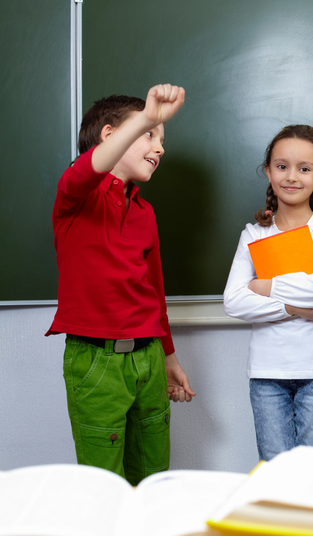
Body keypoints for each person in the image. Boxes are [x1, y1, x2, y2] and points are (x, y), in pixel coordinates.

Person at [48, 85, 194, 485]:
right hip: (96, 361)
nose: (160, 147)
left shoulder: (145, 212)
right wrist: (148, 117)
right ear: (111, 136)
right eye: (150, 135)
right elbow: (89, 168)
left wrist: (167, 355)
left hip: (146, 354)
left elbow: (155, 293)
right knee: (105, 485)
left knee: (152, 477)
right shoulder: (74, 196)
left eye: (162, 138)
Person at [224, 125, 313, 460]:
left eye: (304, 169)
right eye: (281, 166)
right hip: (268, 374)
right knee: (274, 471)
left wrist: (263, 286)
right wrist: (295, 309)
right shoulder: (253, 235)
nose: (292, 176)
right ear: (268, 171)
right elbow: (233, 300)